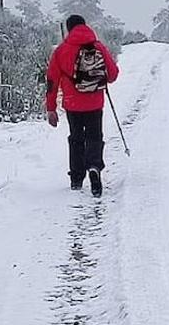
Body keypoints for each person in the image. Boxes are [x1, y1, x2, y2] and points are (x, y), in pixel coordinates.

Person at [45, 15, 120, 197]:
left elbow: (52, 81)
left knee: (76, 138)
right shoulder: (98, 46)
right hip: (95, 102)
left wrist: (51, 108)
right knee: (95, 136)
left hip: (72, 104)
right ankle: (94, 167)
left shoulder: (62, 50)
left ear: (69, 29)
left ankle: (77, 178)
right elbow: (113, 75)